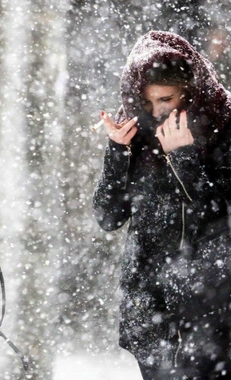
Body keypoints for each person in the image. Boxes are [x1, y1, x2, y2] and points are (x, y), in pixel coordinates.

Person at [93, 31, 231, 379]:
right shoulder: (135, 133)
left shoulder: (224, 125)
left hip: (211, 306)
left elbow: (218, 211)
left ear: (191, 91)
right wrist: (117, 153)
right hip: (150, 306)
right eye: (149, 102)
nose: (157, 112)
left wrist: (184, 156)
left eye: (166, 99)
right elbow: (108, 217)